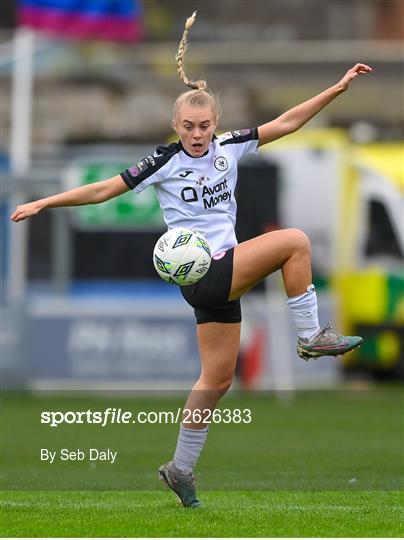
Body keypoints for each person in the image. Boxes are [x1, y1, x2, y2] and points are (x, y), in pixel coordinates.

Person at [11, 11, 371, 509]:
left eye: (204, 125)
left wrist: (336, 89)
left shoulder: (230, 147)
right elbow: (103, 189)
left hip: (212, 280)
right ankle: (310, 336)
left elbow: (285, 123)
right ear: (174, 125)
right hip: (206, 269)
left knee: (216, 381)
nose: (197, 134)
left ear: (214, 124)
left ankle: (179, 467)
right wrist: (45, 202)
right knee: (296, 242)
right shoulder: (163, 161)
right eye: (188, 126)